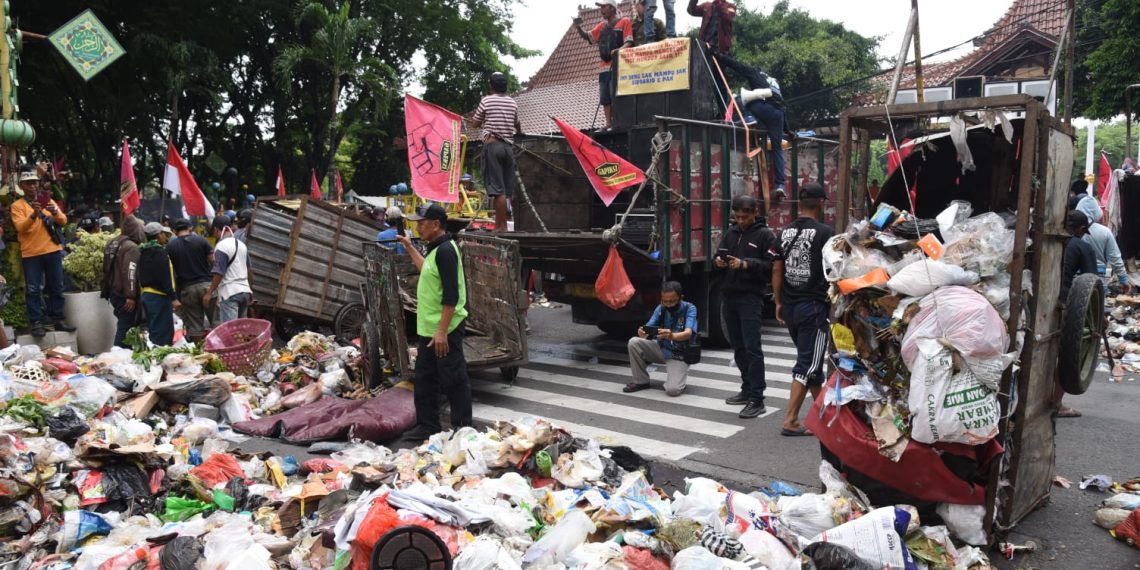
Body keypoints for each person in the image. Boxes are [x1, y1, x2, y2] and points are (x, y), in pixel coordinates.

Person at [395, 204, 471, 440]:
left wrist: (441, 331)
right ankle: (427, 425)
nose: (417, 227)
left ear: (436, 224)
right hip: (430, 328)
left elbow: (451, 295)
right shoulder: (435, 250)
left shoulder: (447, 251)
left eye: (421, 222)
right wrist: (409, 248)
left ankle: (463, 428)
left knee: (453, 378)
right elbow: (426, 269)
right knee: (425, 378)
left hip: (444, 329)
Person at [772, 182, 834, 436]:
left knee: (812, 363)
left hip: (791, 307)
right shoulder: (825, 233)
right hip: (814, 309)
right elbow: (835, 270)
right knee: (808, 365)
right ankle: (791, 420)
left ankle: (825, 417)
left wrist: (778, 302)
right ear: (821, 203)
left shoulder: (784, 233)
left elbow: (776, 269)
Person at [714, 194, 779, 418]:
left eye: (744, 216)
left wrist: (745, 264)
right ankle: (746, 388)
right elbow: (718, 255)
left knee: (752, 348)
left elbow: (772, 267)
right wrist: (719, 262)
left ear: (754, 213)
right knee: (739, 347)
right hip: (729, 296)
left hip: (750, 298)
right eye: (737, 216)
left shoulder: (765, 235)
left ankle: (757, 398)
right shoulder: (731, 232)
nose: (740, 220)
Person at [11, 171, 74, 338]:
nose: (32, 185)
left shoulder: (48, 200)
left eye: (34, 182)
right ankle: (37, 322)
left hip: (52, 250)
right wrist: (33, 215)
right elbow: (20, 227)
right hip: (31, 253)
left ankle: (58, 319)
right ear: (22, 186)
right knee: (33, 289)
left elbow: (63, 221)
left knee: (57, 287)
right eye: (28, 183)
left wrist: (54, 212)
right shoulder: (17, 206)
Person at [718, 53, 787, 199]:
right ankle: (780, 185)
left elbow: (735, 65)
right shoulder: (774, 81)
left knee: (738, 97)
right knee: (777, 149)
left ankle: (748, 117)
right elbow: (781, 103)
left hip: (764, 108)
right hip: (779, 115)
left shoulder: (754, 72)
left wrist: (716, 55)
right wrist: (788, 131)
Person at [1055, 210, 1100, 418]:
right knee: (1066, 353)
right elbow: (1091, 286)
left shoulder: (1052, 241)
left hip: (1037, 296)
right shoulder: (1082, 246)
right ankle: (1056, 402)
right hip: (1063, 303)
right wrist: (1099, 319)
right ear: (1082, 229)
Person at [623, 281, 697, 396]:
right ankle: (641, 381)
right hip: (662, 348)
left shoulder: (689, 308)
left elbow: (688, 333)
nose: (668, 304)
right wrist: (642, 332)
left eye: (672, 301)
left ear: (680, 298)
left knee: (673, 390)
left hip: (680, 354)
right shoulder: (661, 308)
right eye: (665, 301)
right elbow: (648, 326)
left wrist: (672, 335)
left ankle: (679, 377)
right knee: (634, 342)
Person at [471, 72, 521, 232]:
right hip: (508, 148)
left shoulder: (486, 100)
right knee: (506, 191)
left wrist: (483, 121)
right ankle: (501, 225)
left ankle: (502, 226)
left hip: (493, 146)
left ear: (491, 85)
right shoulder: (512, 103)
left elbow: (475, 123)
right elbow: (517, 125)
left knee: (497, 190)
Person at [575, 0, 633, 129]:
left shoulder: (624, 21)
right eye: (600, 7)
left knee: (615, 95)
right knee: (605, 97)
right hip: (603, 67)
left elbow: (629, 41)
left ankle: (618, 122)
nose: (601, 10)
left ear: (612, 8)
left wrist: (619, 50)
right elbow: (587, 36)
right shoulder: (602, 25)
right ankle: (608, 124)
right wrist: (578, 27)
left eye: (604, 7)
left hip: (618, 66)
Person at [167, 218, 215, 342]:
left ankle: (198, 353)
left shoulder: (171, 246)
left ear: (174, 231)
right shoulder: (201, 240)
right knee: (216, 322)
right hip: (206, 286)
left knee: (194, 327)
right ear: (190, 229)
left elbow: (171, 270)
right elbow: (214, 261)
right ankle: (219, 351)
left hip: (187, 289)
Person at [101, 215, 144, 348]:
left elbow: (106, 267)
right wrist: (130, 295)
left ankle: (127, 352)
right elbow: (129, 272)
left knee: (124, 322)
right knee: (126, 324)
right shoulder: (131, 247)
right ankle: (119, 352)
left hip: (112, 290)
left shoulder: (112, 242)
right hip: (124, 293)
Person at [202, 215, 252, 323]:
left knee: (231, 331)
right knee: (242, 329)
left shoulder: (221, 246)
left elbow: (219, 272)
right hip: (245, 291)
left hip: (230, 293)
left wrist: (209, 293)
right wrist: (250, 290)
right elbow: (249, 269)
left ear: (216, 229)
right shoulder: (242, 244)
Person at [138, 222, 179, 346]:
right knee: (163, 332)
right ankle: (159, 359)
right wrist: (173, 298)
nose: (165, 237)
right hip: (159, 296)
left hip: (146, 295)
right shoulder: (160, 253)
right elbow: (165, 276)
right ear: (159, 235)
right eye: (163, 234)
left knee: (154, 329)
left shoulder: (143, 252)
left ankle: (155, 357)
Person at [1081, 206, 1131, 293]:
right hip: (1098, 278)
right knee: (1098, 305)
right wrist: (1124, 280)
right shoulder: (1105, 232)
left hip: (1076, 276)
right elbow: (1115, 258)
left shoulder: (1073, 230)